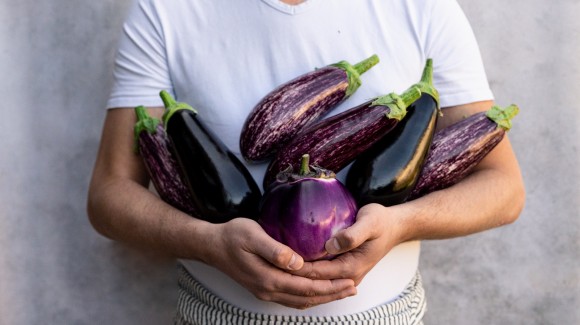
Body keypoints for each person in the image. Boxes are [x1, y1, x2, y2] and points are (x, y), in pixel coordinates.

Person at [87, 0, 525, 323]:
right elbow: (110, 198)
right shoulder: (164, 11)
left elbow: (503, 190)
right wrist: (209, 243)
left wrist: (401, 224)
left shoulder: (423, 8)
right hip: (214, 314)